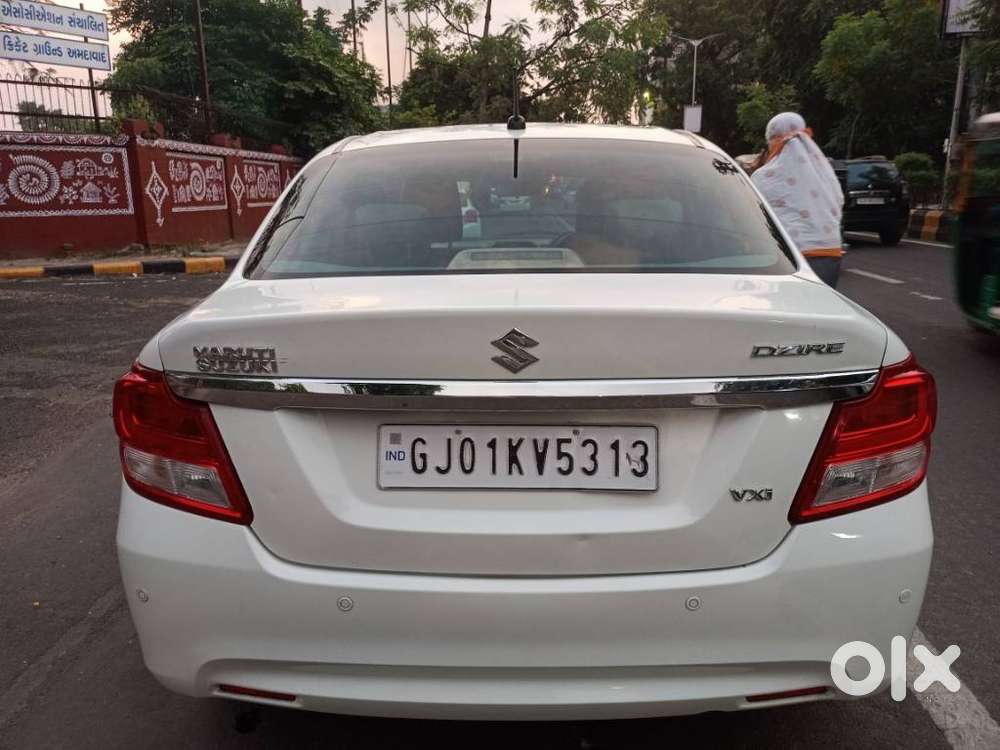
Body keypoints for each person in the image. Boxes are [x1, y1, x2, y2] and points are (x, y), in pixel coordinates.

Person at [750, 112, 845, 286]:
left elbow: (751, 218)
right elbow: (839, 203)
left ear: (774, 139)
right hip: (831, 254)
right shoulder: (825, 174)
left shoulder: (764, 176)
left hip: (788, 259)